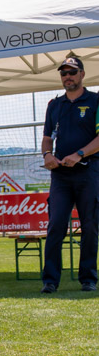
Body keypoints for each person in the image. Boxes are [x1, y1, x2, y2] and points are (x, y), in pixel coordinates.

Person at [41, 57, 99, 293]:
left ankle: (88, 278)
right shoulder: (55, 105)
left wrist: (80, 154)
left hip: (89, 172)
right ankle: (50, 281)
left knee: (90, 226)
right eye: (64, 73)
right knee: (55, 226)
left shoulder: (95, 100)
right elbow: (47, 137)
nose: (68, 77)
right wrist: (46, 155)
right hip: (61, 176)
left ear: (82, 74)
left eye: (72, 72)